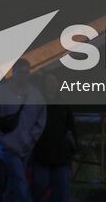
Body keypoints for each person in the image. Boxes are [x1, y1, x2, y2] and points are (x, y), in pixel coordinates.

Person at [0, 59, 45, 202]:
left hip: (25, 146)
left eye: (26, 72)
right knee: (19, 179)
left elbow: (41, 118)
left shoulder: (35, 95)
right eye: (21, 72)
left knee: (14, 182)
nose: (24, 75)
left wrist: (32, 138)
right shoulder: (2, 93)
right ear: (14, 73)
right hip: (7, 147)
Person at [30, 72, 75, 202]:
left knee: (62, 191)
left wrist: (72, 148)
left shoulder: (64, 104)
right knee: (39, 187)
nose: (52, 85)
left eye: (54, 81)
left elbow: (70, 128)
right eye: (49, 81)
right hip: (42, 153)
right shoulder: (38, 103)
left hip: (60, 154)